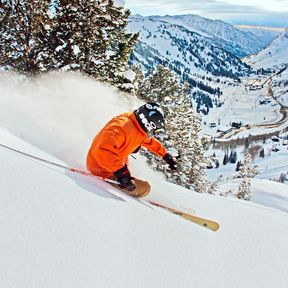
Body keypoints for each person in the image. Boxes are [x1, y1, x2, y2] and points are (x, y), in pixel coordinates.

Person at [86, 102, 177, 198]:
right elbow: (103, 151)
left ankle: (126, 181)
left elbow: (150, 142)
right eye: (156, 130)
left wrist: (166, 156)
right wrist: (122, 174)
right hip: (102, 169)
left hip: (113, 167)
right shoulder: (120, 127)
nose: (153, 133)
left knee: (137, 177)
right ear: (150, 124)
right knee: (146, 188)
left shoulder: (136, 127)